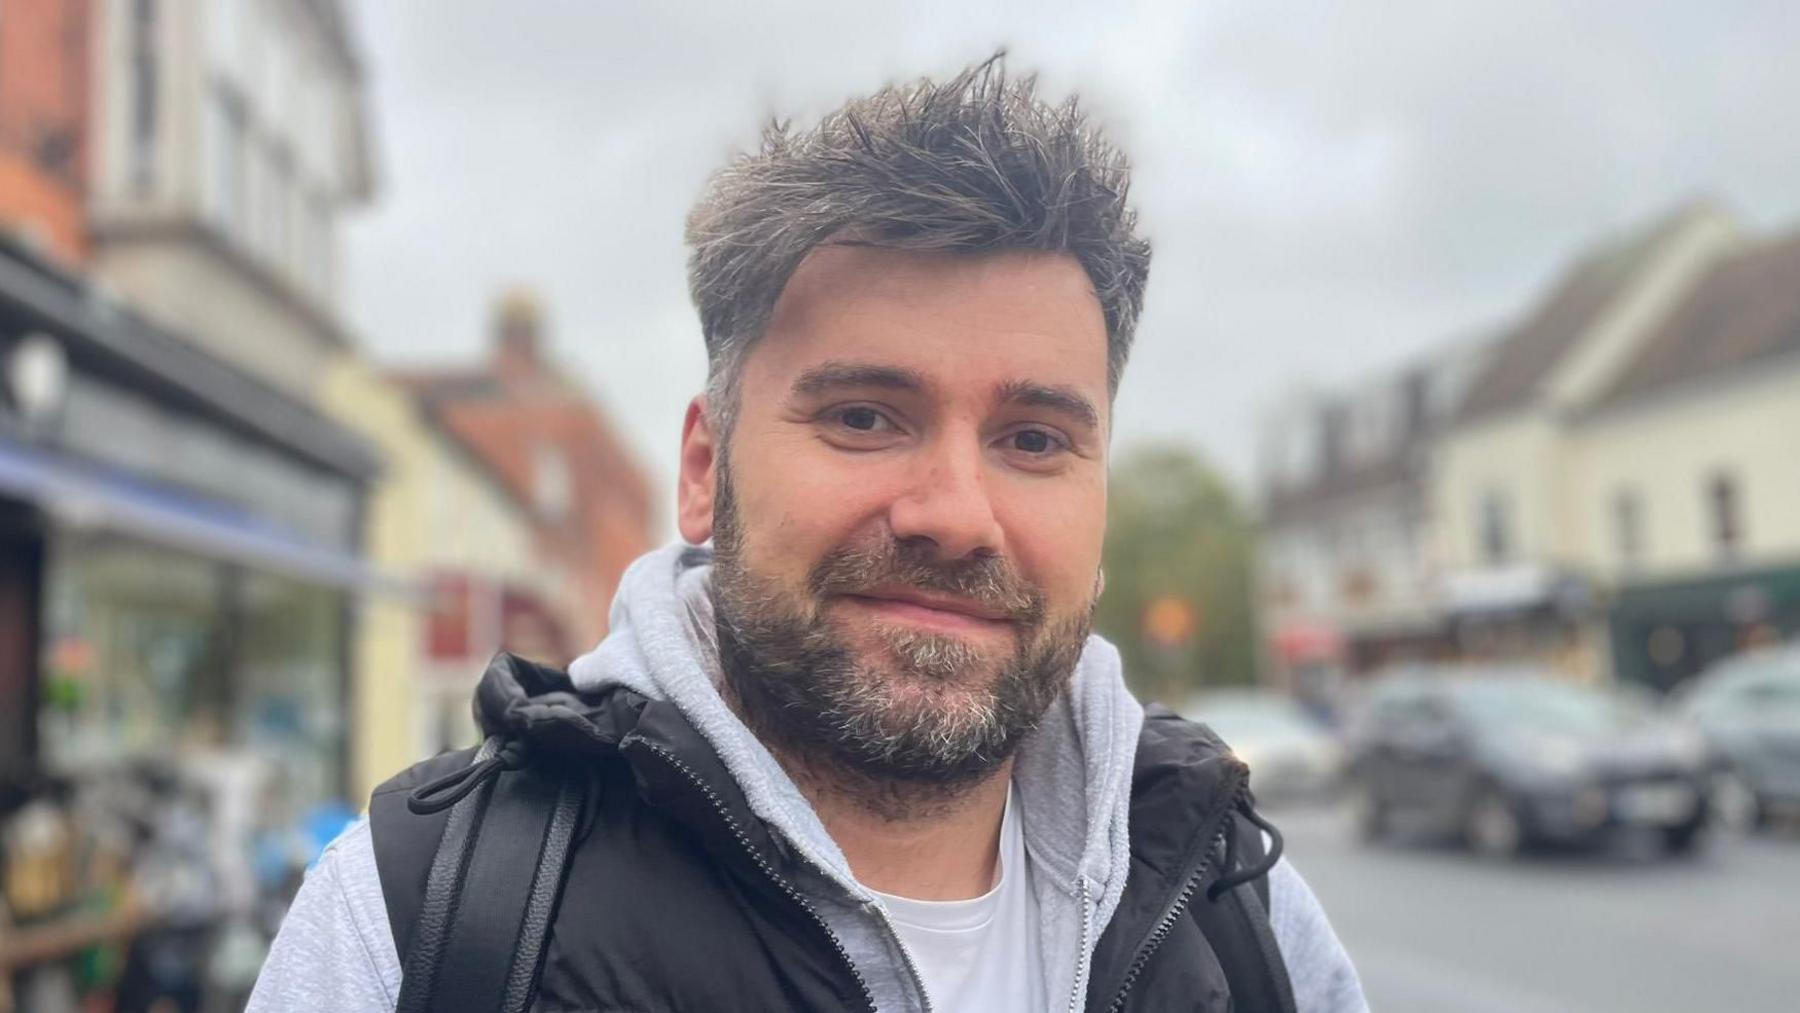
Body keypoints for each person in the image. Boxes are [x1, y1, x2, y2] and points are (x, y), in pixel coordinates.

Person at [247, 56, 1366, 1012]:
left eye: (1033, 439)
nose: (955, 514)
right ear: (705, 469)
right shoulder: (419, 918)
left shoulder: (1236, 902)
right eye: (864, 417)